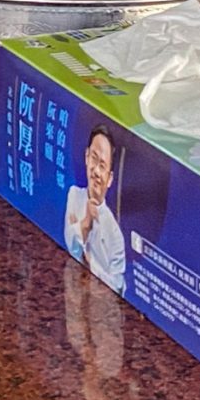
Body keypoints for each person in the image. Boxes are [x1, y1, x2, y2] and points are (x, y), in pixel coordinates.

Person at [64, 124, 126, 295]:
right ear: (86, 157)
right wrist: (85, 224)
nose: (96, 171)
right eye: (94, 158)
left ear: (110, 178)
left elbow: (118, 285)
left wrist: (91, 263)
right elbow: (70, 244)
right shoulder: (74, 196)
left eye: (103, 165)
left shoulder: (115, 233)